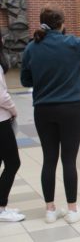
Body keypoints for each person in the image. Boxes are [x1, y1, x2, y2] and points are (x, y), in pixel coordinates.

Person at [20, 5, 80, 224]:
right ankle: (72, 210)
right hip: (69, 109)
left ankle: (50, 210)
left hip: (42, 110)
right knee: (69, 160)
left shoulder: (32, 47)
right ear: (62, 24)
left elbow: (25, 80)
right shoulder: (72, 44)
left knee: (49, 159)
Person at [0, 32, 25, 222]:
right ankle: (1, 207)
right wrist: (14, 110)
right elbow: (2, 96)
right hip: (1, 121)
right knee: (13, 162)